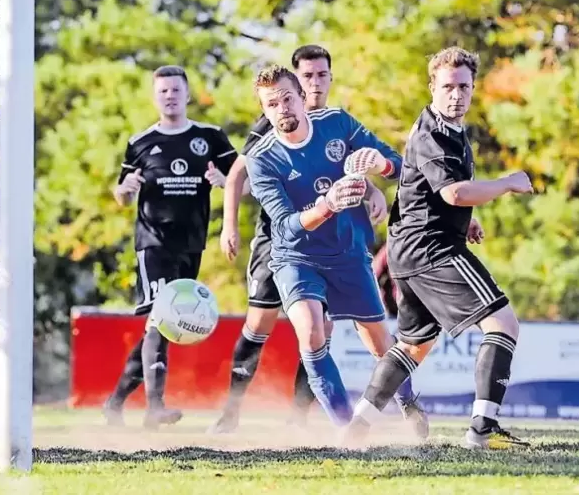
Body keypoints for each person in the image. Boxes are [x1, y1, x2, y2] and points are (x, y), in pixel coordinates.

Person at [342, 47, 534, 449]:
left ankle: (358, 426)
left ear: (473, 88)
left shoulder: (449, 130)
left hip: (409, 251)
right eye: (447, 86)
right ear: (433, 87)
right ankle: (482, 430)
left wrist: (467, 220)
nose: (456, 95)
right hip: (432, 251)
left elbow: (428, 192)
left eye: (464, 87)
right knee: (503, 325)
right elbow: (454, 192)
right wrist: (507, 183)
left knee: (412, 345)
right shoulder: (431, 132)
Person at [209, 45, 402, 434]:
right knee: (260, 323)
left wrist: (372, 191)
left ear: (329, 79)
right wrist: (229, 226)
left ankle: (302, 416)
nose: (315, 82)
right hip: (278, 239)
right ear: (296, 79)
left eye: (321, 75)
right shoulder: (273, 122)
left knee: (320, 329)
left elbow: (351, 171)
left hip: (331, 242)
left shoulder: (335, 123)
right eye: (308, 75)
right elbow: (237, 174)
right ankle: (231, 409)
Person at [103, 65, 238, 429]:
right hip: (154, 244)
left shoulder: (210, 137)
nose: (170, 96)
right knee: (160, 319)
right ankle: (154, 407)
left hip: (192, 244)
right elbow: (120, 193)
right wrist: (124, 189)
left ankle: (115, 402)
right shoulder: (141, 141)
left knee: (163, 325)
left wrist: (223, 180)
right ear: (155, 96)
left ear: (188, 93)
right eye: (163, 91)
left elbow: (244, 179)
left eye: (176, 90)